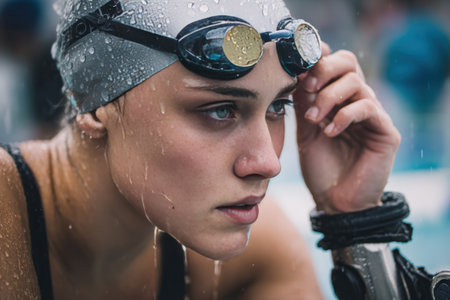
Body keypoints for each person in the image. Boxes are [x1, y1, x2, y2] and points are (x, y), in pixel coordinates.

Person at [0, 0, 402, 299]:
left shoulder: (257, 252)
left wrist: (354, 224)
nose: (268, 163)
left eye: (278, 106)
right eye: (220, 110)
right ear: (92, 101)